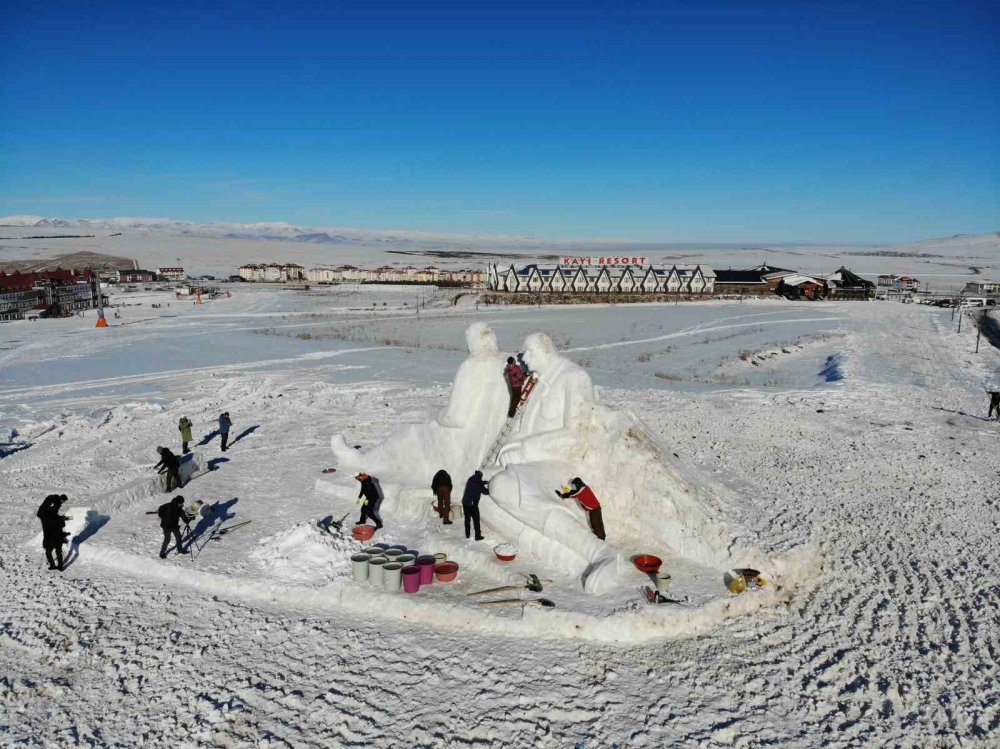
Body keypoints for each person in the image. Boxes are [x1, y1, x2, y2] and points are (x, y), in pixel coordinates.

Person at [37, 494, 69, 570]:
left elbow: (46, 531)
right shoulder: (58, 515)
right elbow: (62, 525)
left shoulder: (48, 517)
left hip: (51, 538)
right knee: (58, 552)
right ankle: (60, 567)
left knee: (48, 552)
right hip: (58, 537)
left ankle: (52, 565)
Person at [462, 470, 489, 540]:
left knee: (467, 519)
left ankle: (467, 534)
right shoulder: (479, 484)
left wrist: (483, 482)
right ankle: (477, 536)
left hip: (465, 502)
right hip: (473, 504)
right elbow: (486, 492)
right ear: (480, 476)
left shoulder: (470, 479)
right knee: (476, 520)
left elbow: (477, 483)